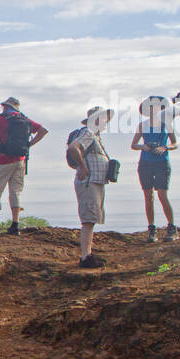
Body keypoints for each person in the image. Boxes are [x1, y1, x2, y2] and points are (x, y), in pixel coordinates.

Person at [0, 96, 49, 238]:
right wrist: (29, 145)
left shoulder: (1, 118)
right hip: (20, 161)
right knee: (16, 191)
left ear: (6, 106)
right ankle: (15, 226)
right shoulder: (25, 118)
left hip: (2, 160)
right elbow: (43, 130)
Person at [66, 107, 113, 268]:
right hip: (89, 181)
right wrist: (83, 167)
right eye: (104, 119)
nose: (106, 122)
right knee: (88, 219)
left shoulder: (94, 135)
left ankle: (88, 254)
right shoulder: (88, 133)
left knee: (91, 218)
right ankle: (85, 257)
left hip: (94, 181)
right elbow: (73, 147)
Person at [131, 96, 178, 242]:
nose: (154, 109)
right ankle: (152, 229)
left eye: (157, 106)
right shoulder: (142, 125)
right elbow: (133, 145)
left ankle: (172, 228)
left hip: (162, 162)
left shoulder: (166, 124)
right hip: (145, 162)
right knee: (148, 196)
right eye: (151, 107)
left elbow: (175, 143)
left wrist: (165, 147)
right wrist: (143, 146)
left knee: (162, 195)